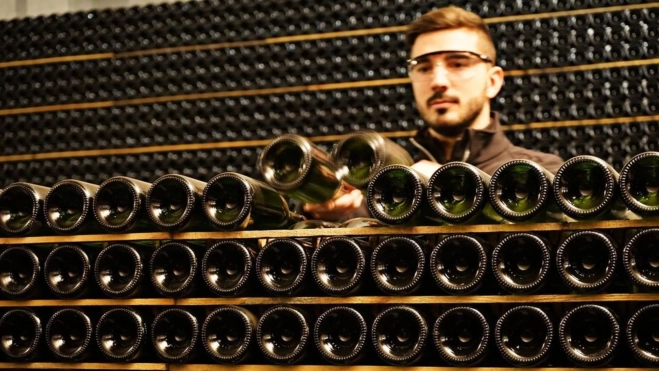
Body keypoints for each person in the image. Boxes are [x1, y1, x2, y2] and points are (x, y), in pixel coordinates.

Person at [303, 5, 564, 221]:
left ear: (493, 81)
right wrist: (320, 215)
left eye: (458, 63)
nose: (438, 80)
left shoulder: (545, 176)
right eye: (424, 67)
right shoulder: (379, 194)